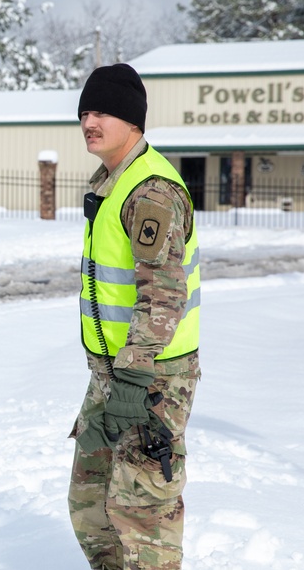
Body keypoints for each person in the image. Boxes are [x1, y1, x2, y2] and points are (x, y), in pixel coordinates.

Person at [68, 63, 201, 570]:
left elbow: (164, 296)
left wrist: (132, 377)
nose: (88, 122)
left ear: (133, 121)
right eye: (84, 112)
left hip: (150, 380)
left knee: (143, 516)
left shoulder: (150, 192)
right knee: (91, 506)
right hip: (111, 375)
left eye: (101, 111)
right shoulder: (111, 183)